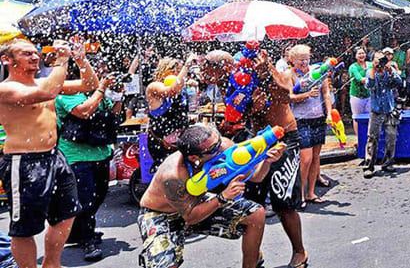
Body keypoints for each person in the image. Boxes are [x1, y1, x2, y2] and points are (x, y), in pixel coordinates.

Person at [0, 38, 98, 268]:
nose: (34, 57)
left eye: (35, 53)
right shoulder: (5, 88)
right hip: (23, 161)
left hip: (54, 157)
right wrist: (62, 61)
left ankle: (51, 264)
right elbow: (46, 92)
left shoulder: (44, 81)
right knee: (24, 228)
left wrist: (81, 60)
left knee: (67, 213)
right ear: (6, 60)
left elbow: (88, 84)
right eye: (26, 54)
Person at [138, 124, 284, 268]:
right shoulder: (173, 175)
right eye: (214, 148)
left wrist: (266, 160)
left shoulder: (223, 146)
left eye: (219, 141)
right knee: (165, 265)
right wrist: (222, 198)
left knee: (255, 214)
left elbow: (256, 177)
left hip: (197, 203)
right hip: (161, 214)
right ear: (195, 157)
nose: (221, 147)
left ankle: (252, 263)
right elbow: (190, 217)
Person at [244, 49, 308, 268]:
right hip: (257, 141)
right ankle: (254, 254)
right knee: (252, 204)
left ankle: (300, 251)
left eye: (259, 60)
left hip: (284, 138)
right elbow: (240, 109)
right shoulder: (242, 76)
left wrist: (267, 71)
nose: (255, 64)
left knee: (283, 201)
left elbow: (286, 94)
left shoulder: (278, 72)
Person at [56, 64, 124, 261]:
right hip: (75, 156)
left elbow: (114, 114)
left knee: (99, 196)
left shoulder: (96, 92)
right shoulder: (66, 93)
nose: (97, 77)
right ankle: (88, 239)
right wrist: (101, 88)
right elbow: (84, 111)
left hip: (100, 153)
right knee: (85, 199)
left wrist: (118, 95)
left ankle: (79, 231)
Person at [288, 44, 331, 206]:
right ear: (292, 60)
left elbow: (326, 93)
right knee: (305, 159)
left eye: (307, 59)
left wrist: (330, 113)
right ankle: (300, 194)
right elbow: (289, 97)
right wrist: (306, 95)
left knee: (315, 158)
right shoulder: (290, 74)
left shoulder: (318, 71)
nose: (305, 62)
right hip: (301, 119)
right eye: (301, 60)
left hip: (318, 118)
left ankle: (311, 192)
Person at [145, 55, 197, 171]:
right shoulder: (154, 87)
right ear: (165, 70)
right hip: (161, 142)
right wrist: (186, 65)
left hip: (179, 141)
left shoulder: (181, 88)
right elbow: (172, 91)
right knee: (168, 173)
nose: (178, 73)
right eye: (176, 70)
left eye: (179, 71)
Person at [363, 51, 403, 178]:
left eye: (382, 59)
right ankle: (369, 165)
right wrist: (374, 70)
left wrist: (391, 70)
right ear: (373, 60)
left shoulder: (388, 70)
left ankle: (388, 163)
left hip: (389, 109)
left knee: (391, 137)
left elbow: (398, 82)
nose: (380, 62)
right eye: (377, 59)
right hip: (376, 110)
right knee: (372, 138)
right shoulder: (370, 71)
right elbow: (369, 85)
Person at [348, 47, 371, 138]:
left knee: (370, 116)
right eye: (359, 54)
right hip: (356, 96)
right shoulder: (353, 67)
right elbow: (359, 79)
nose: (362, 55)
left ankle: (369, 136)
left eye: (363, 53)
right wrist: (372, 80)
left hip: (368, 95)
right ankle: (359, 138)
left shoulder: (370, 64)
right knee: (357, 117)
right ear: (355, 56)